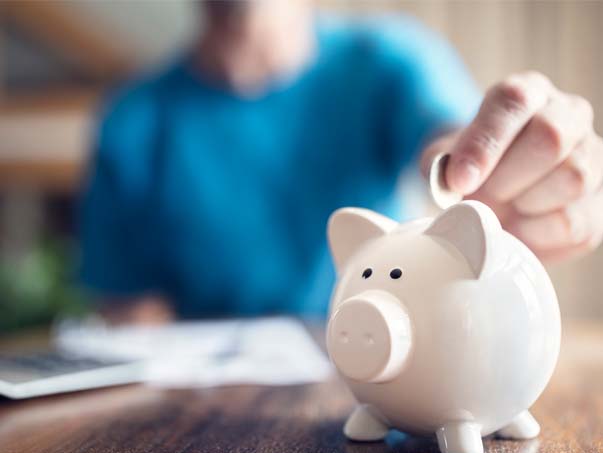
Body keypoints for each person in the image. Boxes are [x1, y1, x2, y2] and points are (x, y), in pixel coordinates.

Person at [80, 0, 603, 324]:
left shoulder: (389, 60)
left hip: (383, 366)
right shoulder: (131, 120)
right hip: (200, 426)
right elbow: (129, 310)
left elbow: (448, 139)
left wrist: (497, 166)